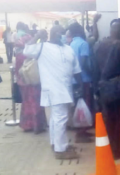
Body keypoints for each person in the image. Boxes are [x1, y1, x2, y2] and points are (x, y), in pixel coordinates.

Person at [23, 25, 83, 159]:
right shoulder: (43, 47)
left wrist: (80, 86)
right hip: (53, 89)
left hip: (66, 89)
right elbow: (26, 50)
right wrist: (37, 36)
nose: (60, 35)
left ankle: (55, 143)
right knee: (61, 118)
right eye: (58, 33)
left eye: (62, 33)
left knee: (56, 119)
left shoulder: (68, 48)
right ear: (52, 33)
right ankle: (61, 150)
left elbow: (76, 69)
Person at [97, 22, 120, 160]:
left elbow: (94, 66)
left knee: (109, 118)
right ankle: (118, 150)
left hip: (103, 85)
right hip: (118, 87)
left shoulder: (99, 44)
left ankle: (110, 147)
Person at [14, 22, 47, 134]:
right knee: (35, 100)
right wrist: (38, 37)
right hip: (32, 76)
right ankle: (37, 125)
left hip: (22, 77)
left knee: (26, 100)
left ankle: (27, 125)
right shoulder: (28, 40)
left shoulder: (17, 44)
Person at [67, 22, 94, 143]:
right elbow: (83, 63)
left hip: (73, 79)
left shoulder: (71, 44)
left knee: (78, 106)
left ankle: (80, 130)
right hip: (83, 79)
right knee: (85, 105)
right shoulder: (83, 44)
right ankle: (81, 134)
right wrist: (93, 74)